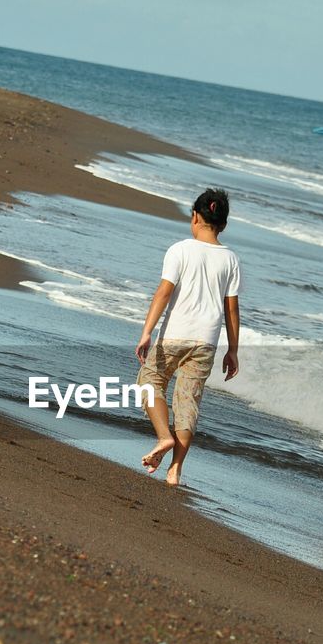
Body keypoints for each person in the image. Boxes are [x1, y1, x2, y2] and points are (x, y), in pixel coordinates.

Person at [135, 188, 241, 486]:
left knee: (148, 381)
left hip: (175, 334)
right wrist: (233, 350)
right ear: (223, 224)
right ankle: (175, 470)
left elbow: (164, 292)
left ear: (195, 216)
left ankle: (163, 437)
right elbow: (231, 310)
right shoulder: (230, 259)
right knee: (188, 402)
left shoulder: (180, 249)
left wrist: (146, 332)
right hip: (206, 340)